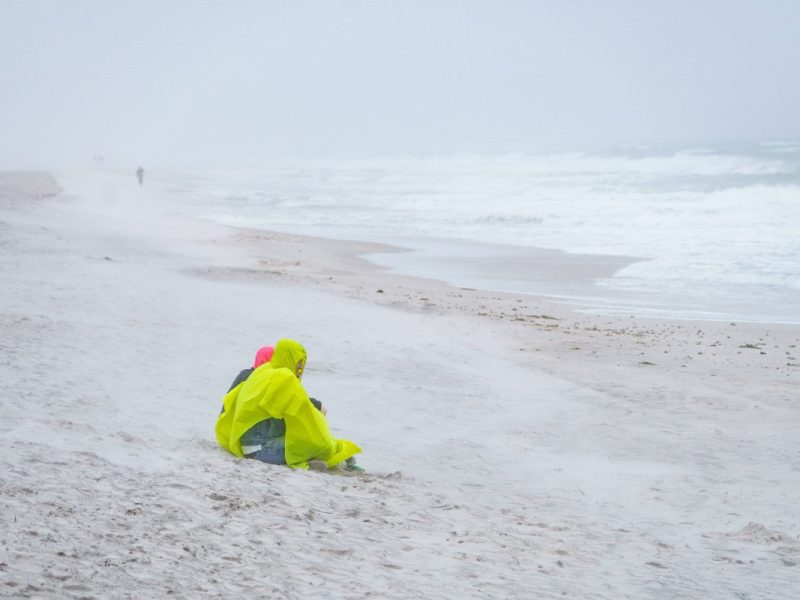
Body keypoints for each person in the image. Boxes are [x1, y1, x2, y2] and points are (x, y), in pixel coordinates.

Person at [215, 338, 361, 472]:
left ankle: (326, 459)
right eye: (299, 364)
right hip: (261, 451)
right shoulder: (283, 378)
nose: (300, 370)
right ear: (289, 358)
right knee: (316, 444)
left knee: (312, 440)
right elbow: (306, 413)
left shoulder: (262, 373)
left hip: (247, 447)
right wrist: (327, 442)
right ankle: (320, 463)